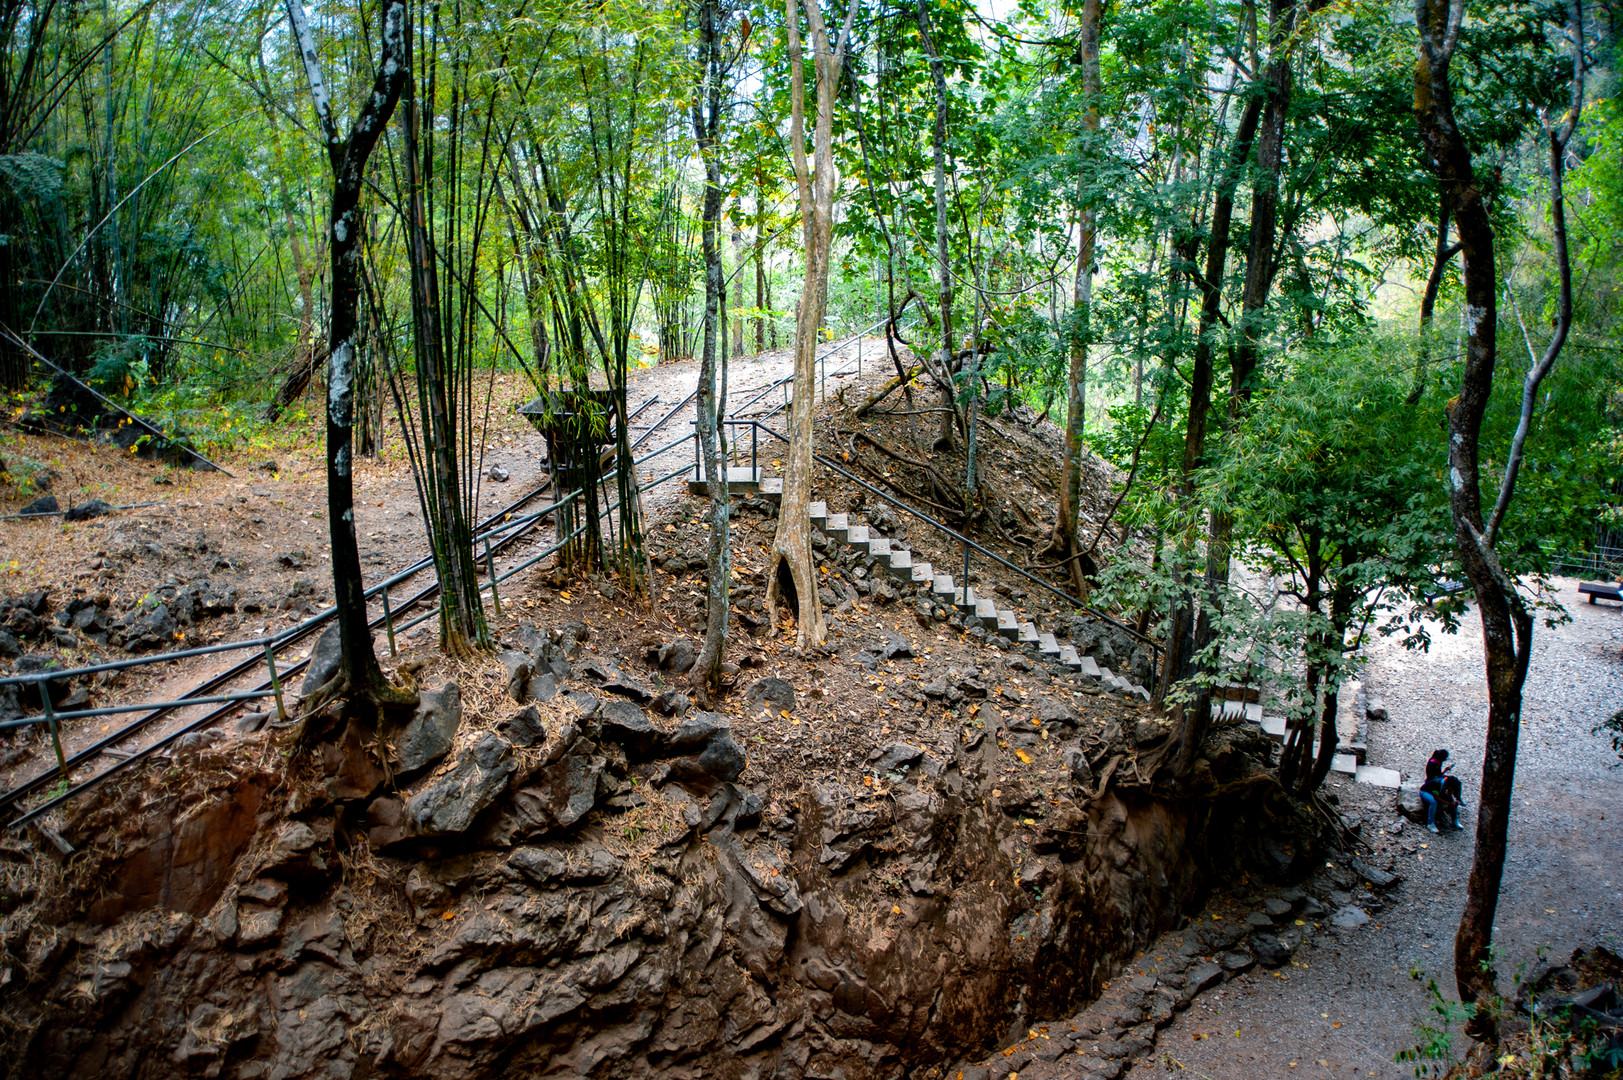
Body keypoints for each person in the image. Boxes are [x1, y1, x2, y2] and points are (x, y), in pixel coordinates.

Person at [1419, 749, 1465, 833]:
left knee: (1452, 800)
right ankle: (1430, 824)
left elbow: (1450, 793)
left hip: (1437, 789)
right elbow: (1436, 797)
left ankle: (1455, 820)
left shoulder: (1446, 783)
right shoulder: (1437, 783)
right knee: (1433, 802)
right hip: (1426, 791)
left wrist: (1455, 800)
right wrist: (1448, 803)